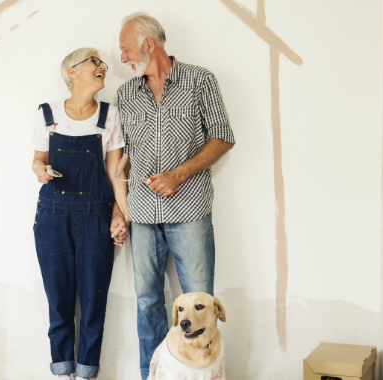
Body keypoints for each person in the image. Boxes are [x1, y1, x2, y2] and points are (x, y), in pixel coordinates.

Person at [115, 13, 236, 378]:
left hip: (190, 211)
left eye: (125, 50)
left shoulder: (200, 81)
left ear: (148, 45)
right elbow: (122, 160)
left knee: (199, 303)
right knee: (148, 303)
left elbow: (223, 136)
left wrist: (178, 174)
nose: (122, 59)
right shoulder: (125, 94)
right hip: (142, 215)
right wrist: (118, 212)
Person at [31, 47, 127, 380]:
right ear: (72, 72)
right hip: (52, 217)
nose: (102, 67)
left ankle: (86, 374)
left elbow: (116, 174)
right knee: (58, 305)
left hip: (95, 217)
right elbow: (37, 160)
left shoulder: (110, 116)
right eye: (94, 62)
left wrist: (120, 215)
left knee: (93, 306)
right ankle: (61, 373)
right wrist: (40, 170)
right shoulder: (48, 114)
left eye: (102, 63)